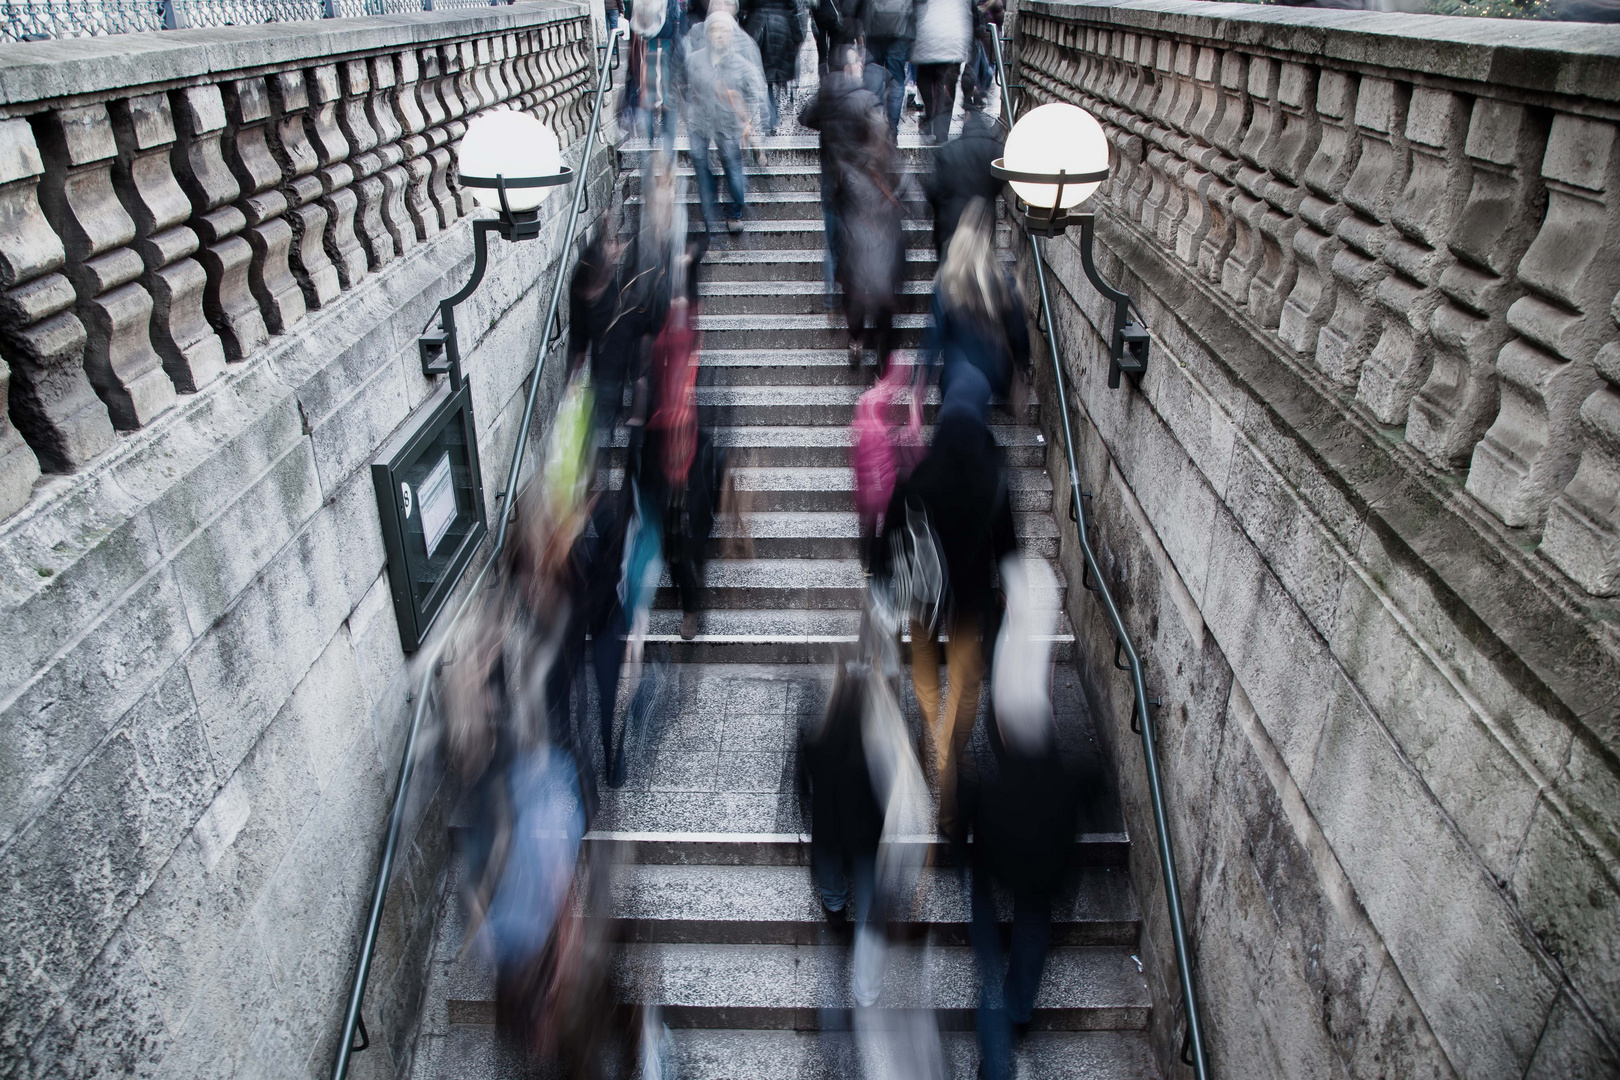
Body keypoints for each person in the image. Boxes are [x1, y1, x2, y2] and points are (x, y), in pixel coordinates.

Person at [878, 383, 1017, 840]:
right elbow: (1008, 550)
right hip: (968, 602)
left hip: (923, 598)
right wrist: (1006, 591)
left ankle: (927, 728)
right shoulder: (991, 481)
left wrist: (882, 583)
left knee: (923, 667)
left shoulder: (915, 481)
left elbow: (889, 540)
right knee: (966, 686)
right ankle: (949, 781)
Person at [965, 556, 1072, 1080]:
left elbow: (1009, 717)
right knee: (1034, 913)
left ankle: (998, 1043)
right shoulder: (1041, 626)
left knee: (987, 921)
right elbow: (1044, 693)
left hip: (1008, 811)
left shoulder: (1009, 650)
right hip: (1042, 816)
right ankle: (1020, 1007)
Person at [919, 198, 1030, 421]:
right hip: (992, 373)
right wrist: (1022, 368)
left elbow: (934, 336)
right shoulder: (1003, 282)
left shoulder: (946, 282)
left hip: (957, 373)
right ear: (989, 238)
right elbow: (1019, 333)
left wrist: (919, 382)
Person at [799, 44, 882, 309]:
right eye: (858, 63)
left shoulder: (828, 93)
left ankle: (830, 295)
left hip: (831, 180)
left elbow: (805, 117)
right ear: (849, 68)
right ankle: (858, 292)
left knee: (832, 239)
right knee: (856, 237)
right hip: (857, 181)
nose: (861, 67)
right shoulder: (864, 98)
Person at [832, 108, 906, 375]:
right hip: (886, 252)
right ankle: (880, 373)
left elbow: (838, 207)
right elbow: (909, 205)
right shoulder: (893, 168)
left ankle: (855, 342)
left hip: (856, 250)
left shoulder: (849, 169)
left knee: (854, 300)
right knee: (885, 317)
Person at [683, 11, 768, 234]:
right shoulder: (694, 60)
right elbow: (681, 86)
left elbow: (754, 93)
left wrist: (747, 119)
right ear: (707, 33)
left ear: (731, 35)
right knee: (699, 159)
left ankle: (734, 212)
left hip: (728, 124)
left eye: (724, 30)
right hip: (700, 121)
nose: (718, 35)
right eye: (714, 29)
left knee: (733, 168)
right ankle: (709, 197)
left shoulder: (742, 65)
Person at [921, 99, 1002, 256]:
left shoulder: (949, 151)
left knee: (951, 268)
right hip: (983, 221)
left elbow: (933, 189)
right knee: (979, 265)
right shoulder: (997, 150)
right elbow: (1000, 182)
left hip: (952, 222)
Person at [910, 0, 971, 143]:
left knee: (925, 81)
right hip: (951, 41)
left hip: (926, 39)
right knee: (946, 89)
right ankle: (941, 131)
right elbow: (969, 12)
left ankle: (930, 118)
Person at [741, 0, 804, 134]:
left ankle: (770, 118)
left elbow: (743, 6)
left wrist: (743, 26)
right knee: (777, 72)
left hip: (758, 26)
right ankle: (774, 114)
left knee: (763, 74)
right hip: (782, 25)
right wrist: (798, 35)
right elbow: (793, 9)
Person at [860, 0, 914, 136]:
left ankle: (874, 129)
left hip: (874, 26)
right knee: (896, 80)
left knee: (873, 76)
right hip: (902, 28)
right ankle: (892, 131)